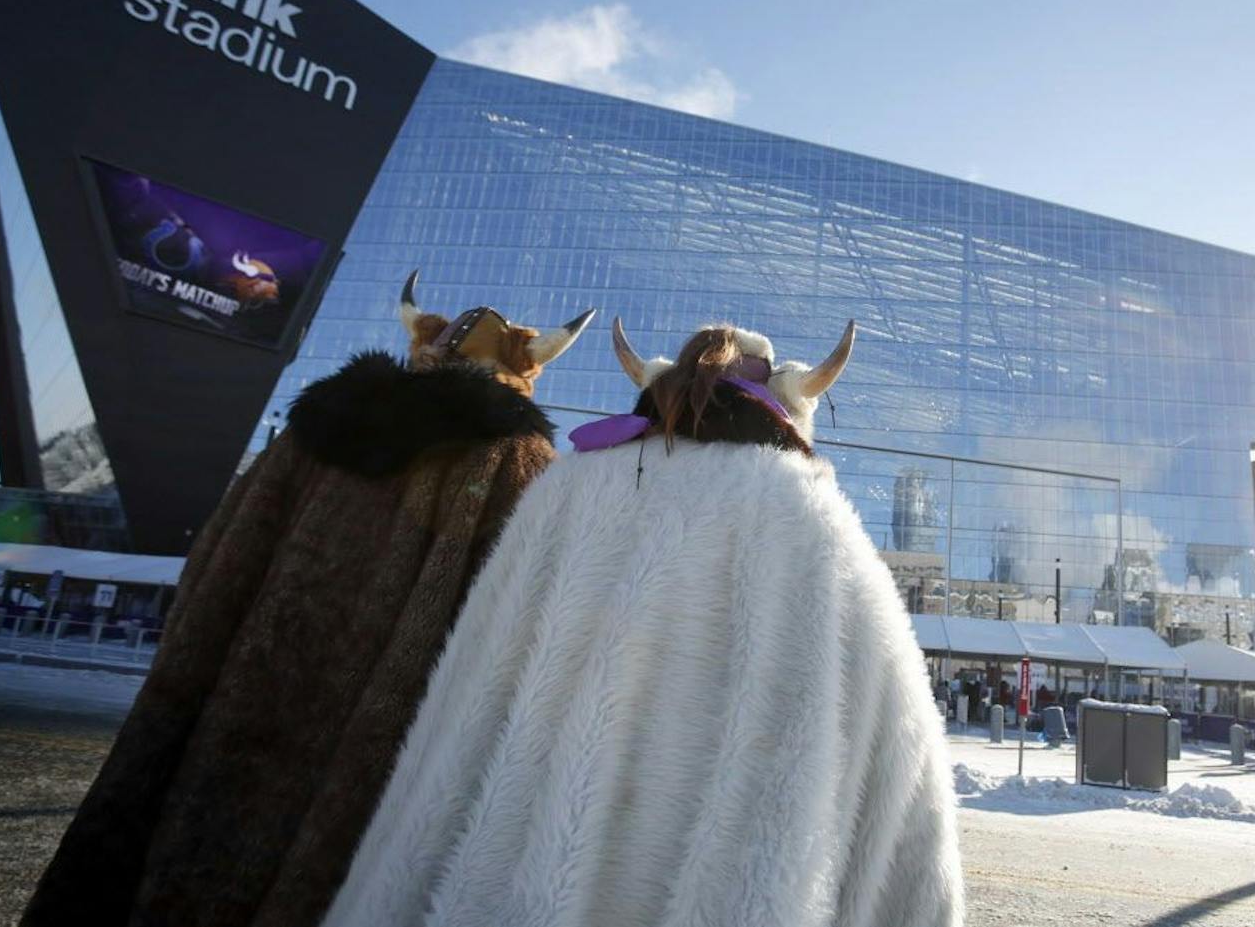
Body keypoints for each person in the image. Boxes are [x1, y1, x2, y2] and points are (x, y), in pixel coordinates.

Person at [324, 319, 964, 927]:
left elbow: (468, 688)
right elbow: (903, 757)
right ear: (786, 402)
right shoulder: (814, 516)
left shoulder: (564, 490)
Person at [21, 273, 594, 927]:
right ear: (522, 371)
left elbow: (214, 566)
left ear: (424, 354)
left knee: (177, 861)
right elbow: (524, 621)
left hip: (237, 702)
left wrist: (187, 676)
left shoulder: (310, 435)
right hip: (379, 739)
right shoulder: (514, 458)